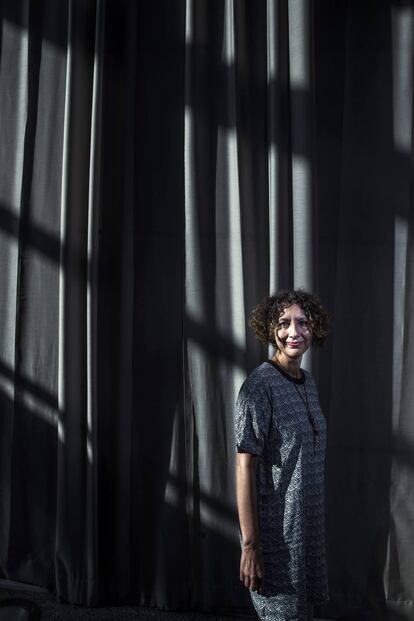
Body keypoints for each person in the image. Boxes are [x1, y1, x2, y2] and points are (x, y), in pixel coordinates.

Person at [235, 289, 329, 621]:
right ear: (270, 330)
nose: (294, 332)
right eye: (284, 323)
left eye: (303, 323)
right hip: (276, 537)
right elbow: (244, 467)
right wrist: (250, 545)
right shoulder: (258, 387)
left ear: (314, 327)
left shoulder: (308, 382)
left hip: (307, 531)